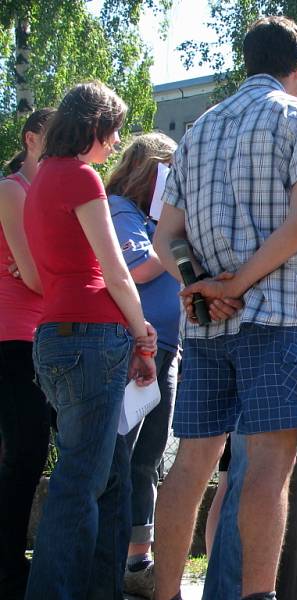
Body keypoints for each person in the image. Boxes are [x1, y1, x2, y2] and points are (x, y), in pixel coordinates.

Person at [152, 15, 297, 600]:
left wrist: (205, 283)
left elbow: (165, 240)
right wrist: (239, 283)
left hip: (208, 326)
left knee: (190, 466)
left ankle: (164, 594)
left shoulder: (199, 131)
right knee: (267, 465)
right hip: (278, 318)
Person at [22, 81, 157, 600]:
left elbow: (39, 274)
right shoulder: (81, 177)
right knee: (82, 485)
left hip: (53, 338)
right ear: (94, 126)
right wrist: (144, 336)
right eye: (114, 129)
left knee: (93, 479)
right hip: (94, 339)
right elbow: (116, 270)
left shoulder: (38, 183)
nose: (117, 141)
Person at [203, 188, 297, 600]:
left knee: (272, 489)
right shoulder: (272, 231)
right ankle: (228, 588)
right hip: (257, 368)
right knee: (237, 482)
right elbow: (258, 290)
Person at [105, 132, 182, 599]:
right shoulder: (120, 210)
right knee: (119, 456)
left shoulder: (154, 220)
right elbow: (136, 268)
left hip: (167, 349)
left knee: (148, 457)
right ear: (148, 170)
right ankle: (109, 559)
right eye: (170, 170)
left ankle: (138, 560)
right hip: (131, 347)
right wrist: (172, 233)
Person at [0, 107, 54, 600]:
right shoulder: (12, 189)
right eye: (54, 137)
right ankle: (9, 572)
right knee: (25, 454)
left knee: (33, 454)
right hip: (13, 337)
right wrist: (47, 267)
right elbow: (37, 276)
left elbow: (41, 270)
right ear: (31, 138)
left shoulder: (47, 193)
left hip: (45, 334)